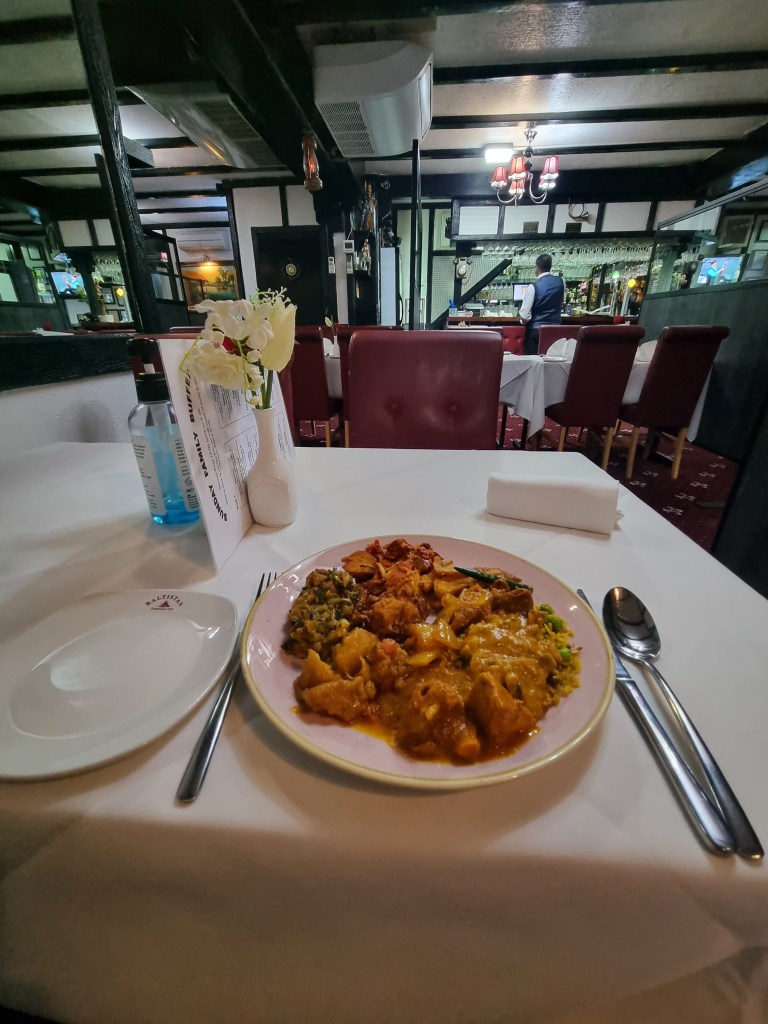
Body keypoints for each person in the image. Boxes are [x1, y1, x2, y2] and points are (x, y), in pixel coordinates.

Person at [519, 254, 565, 355]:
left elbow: (524, 316)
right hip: (556, 330)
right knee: (553, 360)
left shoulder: (533, 287)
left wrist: (522, 321)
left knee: (533, 361)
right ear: (550, 266)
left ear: (537, 267)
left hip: (536, 332)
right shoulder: (561, 282)